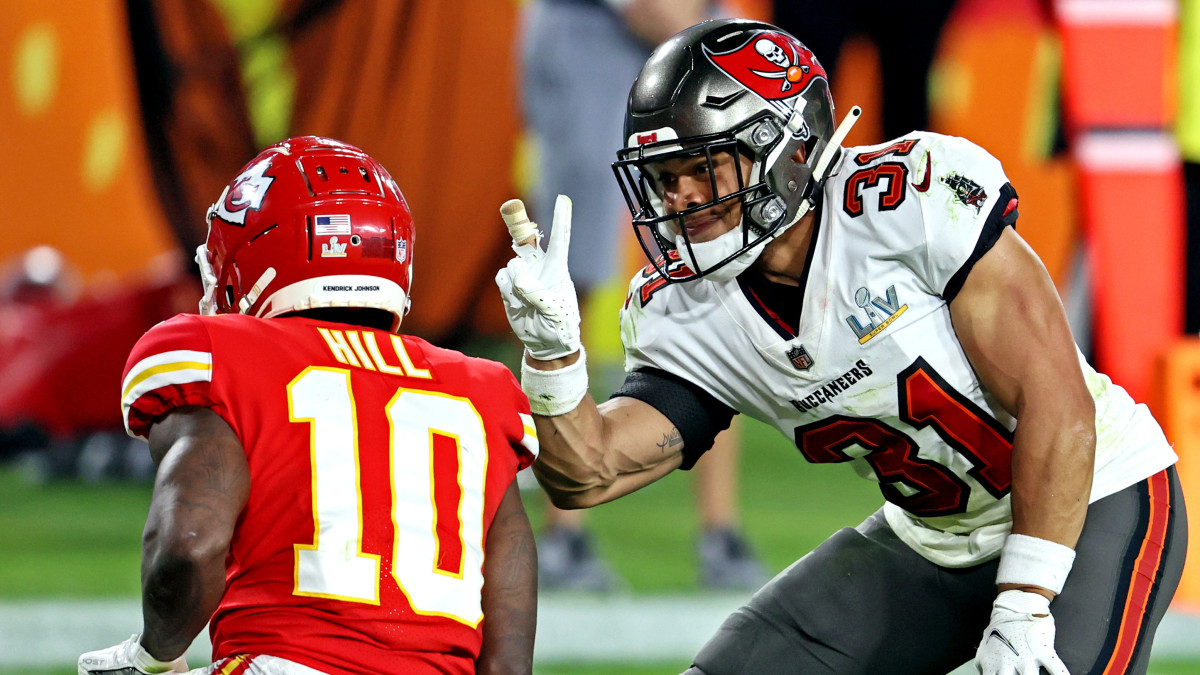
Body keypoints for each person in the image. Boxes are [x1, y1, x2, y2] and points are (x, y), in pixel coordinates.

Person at [495, 19, 1187, 675]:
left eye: (705, 168)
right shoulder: (689, 306)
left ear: (792, 150)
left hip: (1092, 496)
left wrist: (1027, 600)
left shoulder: (908, 203)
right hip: (935, 538)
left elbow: (1058, 407)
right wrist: (553, 354)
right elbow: (586, 473)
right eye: (666, 177)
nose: (681, 200)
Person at [79, 137, 538, 675]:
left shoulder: (224, 353)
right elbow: (509, 651)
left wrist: (153, 658)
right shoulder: (482, 387)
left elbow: (189, 544)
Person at [520, 0, 766, 593]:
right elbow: (647, 7)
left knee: (721, 251)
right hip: (596, 22)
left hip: (693, 21)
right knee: (567, 268)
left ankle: (721, 534)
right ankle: (562, 537)